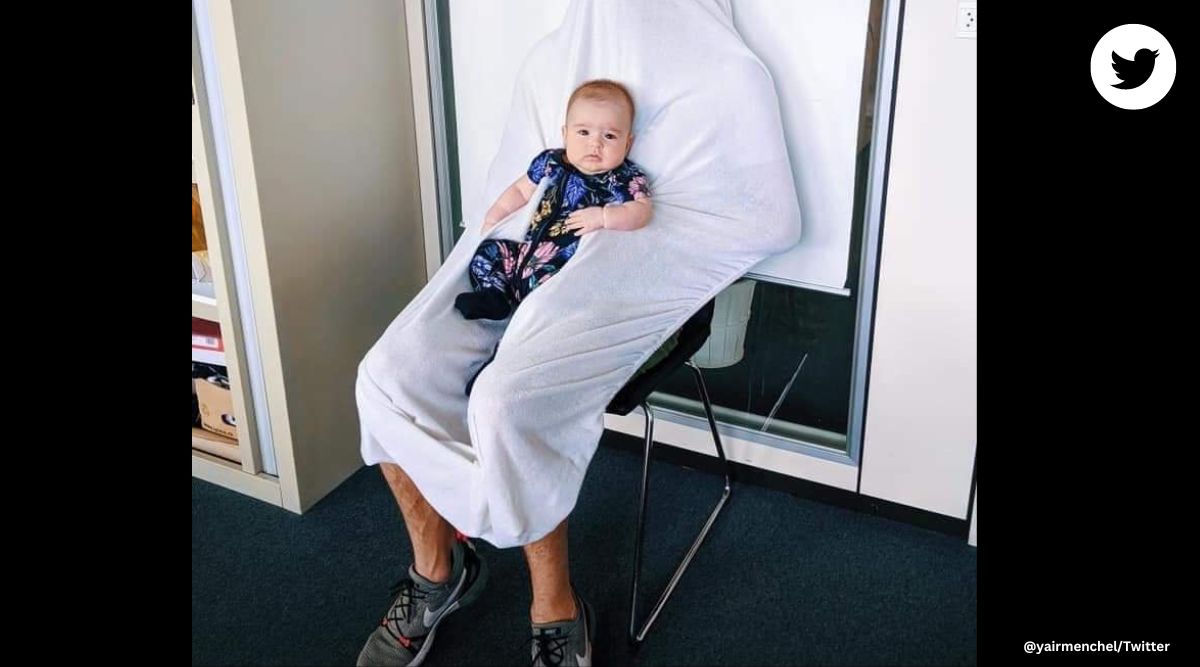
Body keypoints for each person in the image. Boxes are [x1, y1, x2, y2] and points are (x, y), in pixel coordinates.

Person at [357, 79, 652, 667]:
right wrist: (486, 225)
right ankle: (438, 572)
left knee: (504, 403)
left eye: (610, 136)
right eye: (584, 133)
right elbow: (517, 193)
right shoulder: (550, 160)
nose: (595, 145)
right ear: (564, 134)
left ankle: (556, 611)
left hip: (565, 280)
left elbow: (641, 214)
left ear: (630, 141)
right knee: (382, 374)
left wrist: (606, 217)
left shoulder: (624, 181)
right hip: (523, 257)